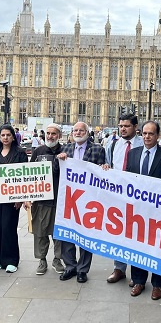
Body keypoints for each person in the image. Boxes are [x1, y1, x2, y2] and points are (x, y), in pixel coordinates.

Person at [126, 120, 161, 301]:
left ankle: (158, 285)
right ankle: (139, 281)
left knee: (158, 247)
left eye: (151, 134)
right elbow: (125, 179)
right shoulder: (133, 154)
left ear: (158, 136)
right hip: (138, 211)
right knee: (138, 244)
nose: (147, 137)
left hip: (159, 212)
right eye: (144, 134)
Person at [56, 121, 107, 283]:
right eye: (75, 130)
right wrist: (59, 160)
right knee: (67, 233)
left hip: (88, 200)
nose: (78, 133)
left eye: (81, 130)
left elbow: (102, 173)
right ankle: (70, 266)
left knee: (86, 235)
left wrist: (105, 167)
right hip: (70, 199)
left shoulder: (98, 149)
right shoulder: (65, 149)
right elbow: (57, 172)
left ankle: (82, 270)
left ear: (87, 132)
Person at [0, 124, 28, 273]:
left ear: (13, 137)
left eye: (8, 135)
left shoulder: (20, 153)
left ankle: (11, 260)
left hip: (11, 197)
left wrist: (20, 198)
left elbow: (24, 176)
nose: (6, 138)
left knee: (9, 228)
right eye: (3, 135)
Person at [103, 113, 143, 284]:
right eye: (120, 126)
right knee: (118, 232)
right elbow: (108, 166)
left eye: (126, 126)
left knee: (137, 234)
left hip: (139, 197)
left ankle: (137, 274)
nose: (123, 129)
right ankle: (119, 268)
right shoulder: (113, 145)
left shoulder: (143, 144)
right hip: (118, 196)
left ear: (135, 127)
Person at [24, 123, 65, 275]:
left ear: (59, 136)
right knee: (40, 232)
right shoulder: (38, 151)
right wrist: (27, 197)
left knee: (59, 234)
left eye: (53, 134)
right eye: (48, 133)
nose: (50, 136)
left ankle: (57, 259)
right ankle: (42, 260)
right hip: (41, 201)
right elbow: (29, 175)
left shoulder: (65, 151)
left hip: (60, 200)